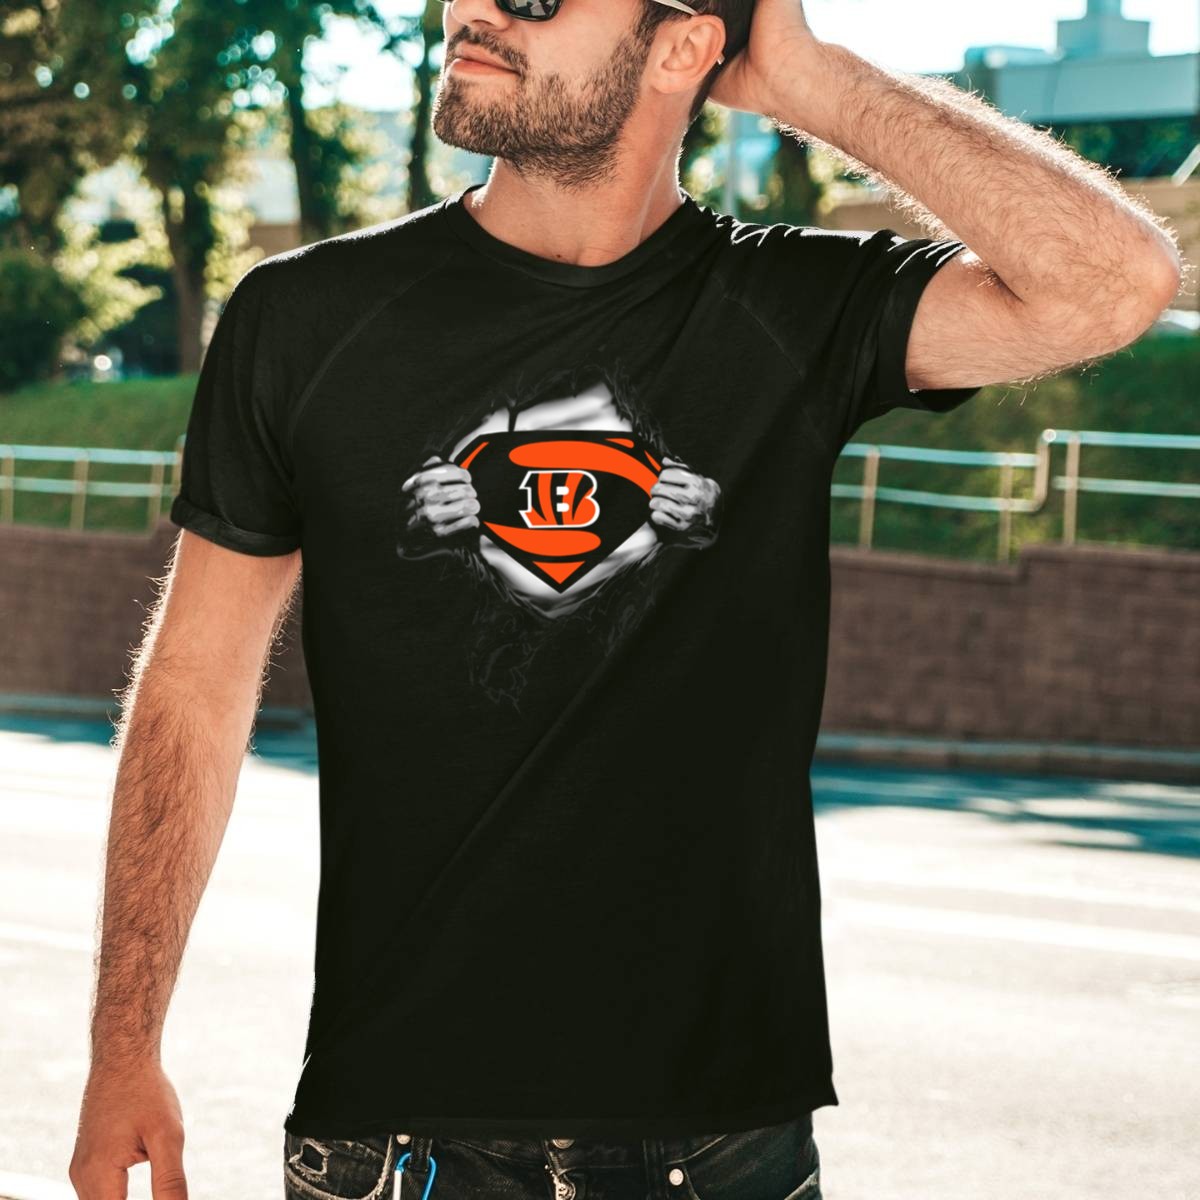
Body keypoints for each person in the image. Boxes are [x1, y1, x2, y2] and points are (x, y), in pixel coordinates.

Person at [69, 0, 1182, 1196]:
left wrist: (811, 80)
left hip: (723, 1145)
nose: (476, 10)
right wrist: (122, 1048)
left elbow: (1114, 286)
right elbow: (191, 689)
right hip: (398, 1137)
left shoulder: (792, 307)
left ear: (683, 45)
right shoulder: (303, 317)